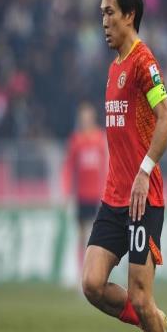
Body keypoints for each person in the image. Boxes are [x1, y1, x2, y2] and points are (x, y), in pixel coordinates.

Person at [81, 0, 167, 332]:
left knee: (140, 295)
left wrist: (143, 170)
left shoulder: (143, 62)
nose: (103, 21)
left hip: (143, 198)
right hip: (113, 197)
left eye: (109, 12)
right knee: (91, 284)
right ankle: (152, 321)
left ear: (129, 15)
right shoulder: (114, 66)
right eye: (101, 13)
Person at [62, 102, 107, 280]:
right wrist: (67, 192)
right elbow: (69, 167)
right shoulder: (76, 141)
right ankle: (81, 274)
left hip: (97, 196)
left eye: (88, 117)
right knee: (82, 236)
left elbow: (106, 166)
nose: (86, 120)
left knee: (97, 237)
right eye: (83, 117)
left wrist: (107, 191)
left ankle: (97, 274)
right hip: (81, 196)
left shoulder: (100, 139)